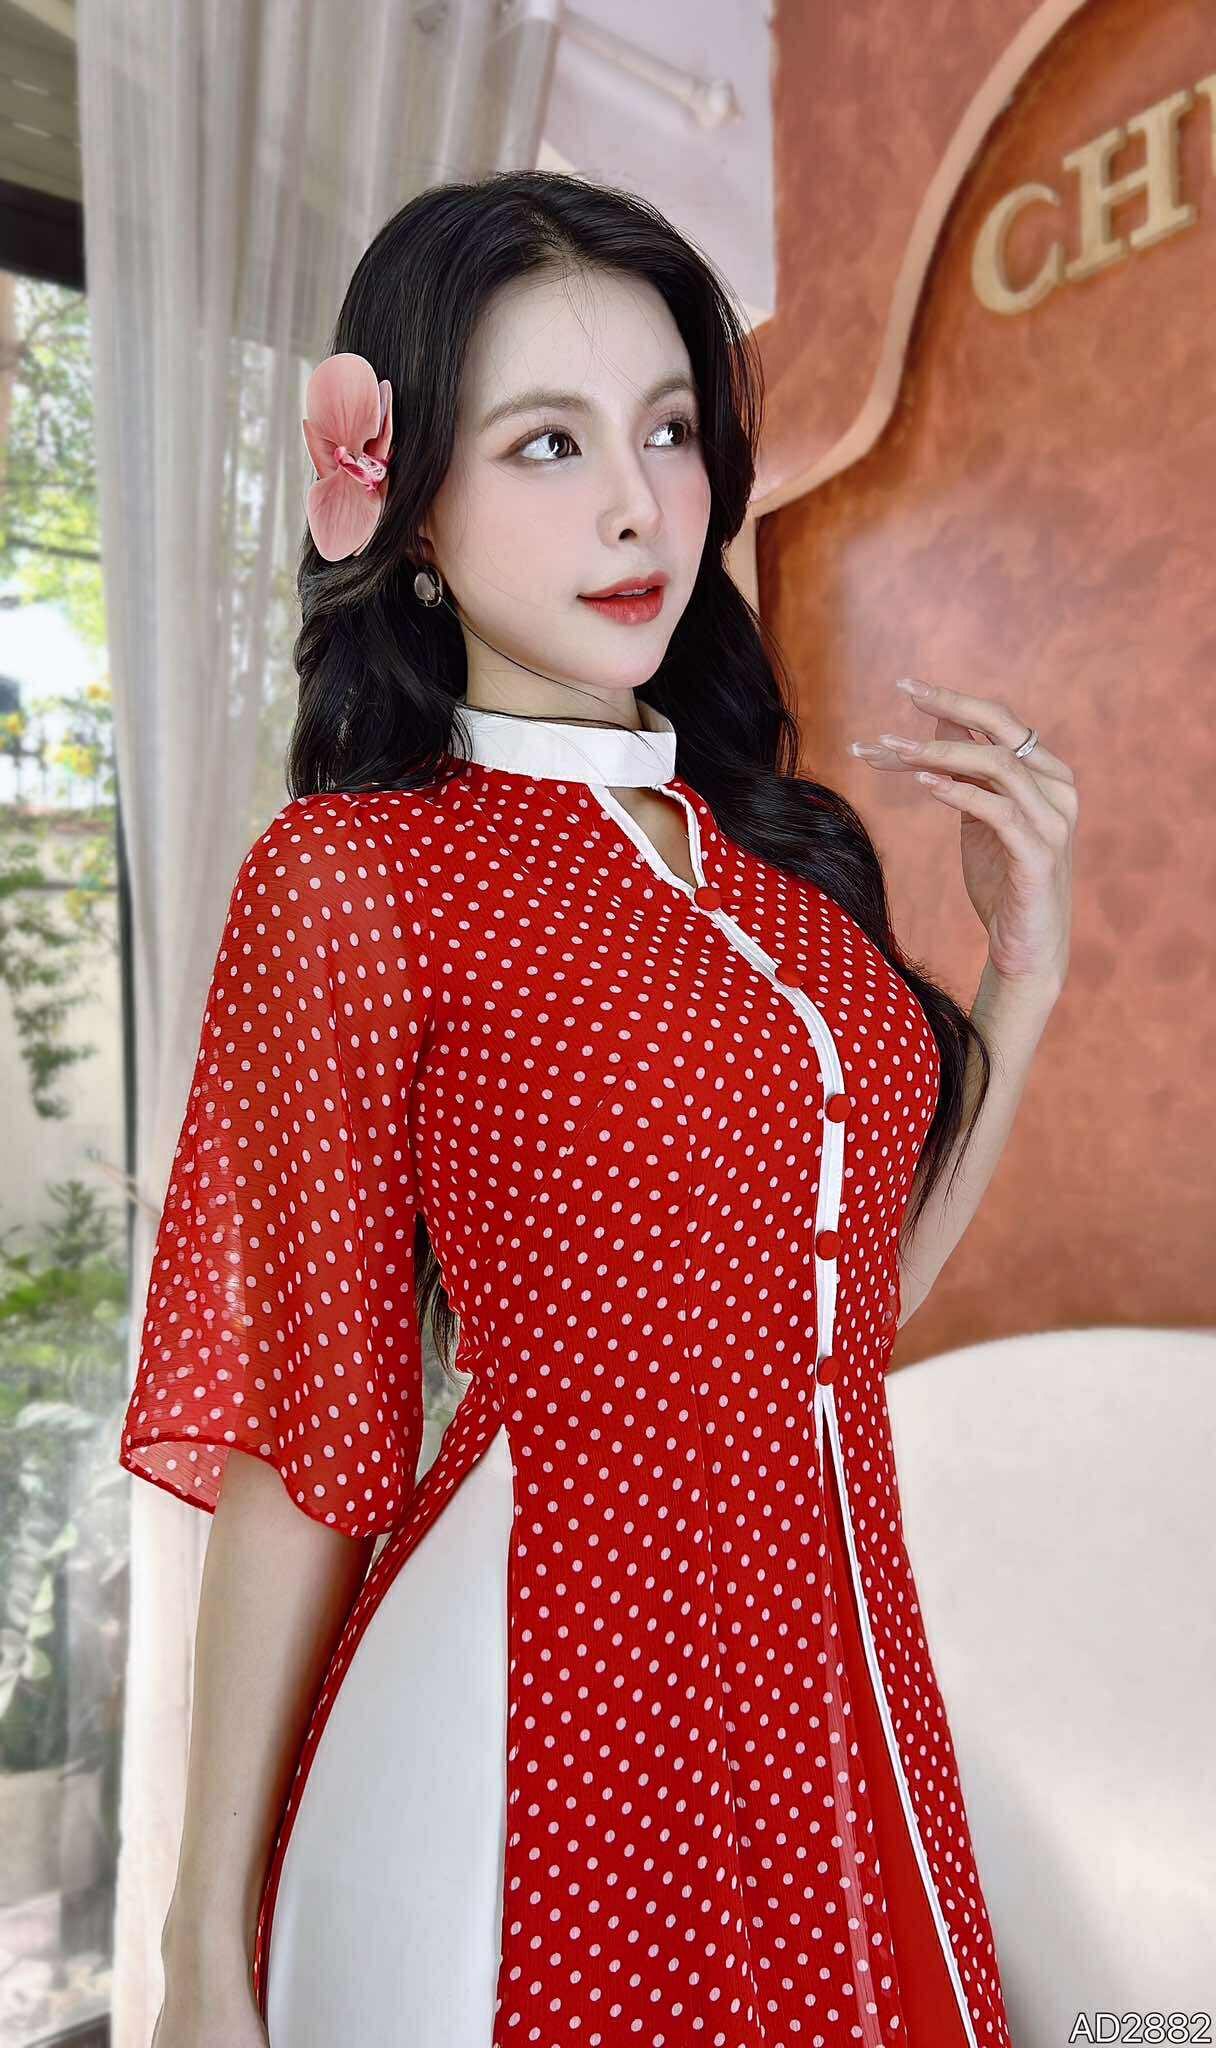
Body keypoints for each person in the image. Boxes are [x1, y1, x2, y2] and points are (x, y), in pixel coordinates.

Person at [123, 168, 1054, 2048]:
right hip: (546, 1678)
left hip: (831, 1669)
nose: (639, 504)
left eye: (669, 429)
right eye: (547, 442)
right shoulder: (357, 878)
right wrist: (197, 1939)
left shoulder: (782, 873)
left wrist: (1018, 984)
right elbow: (309, 1436)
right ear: (405, 506)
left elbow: (836, 1327)